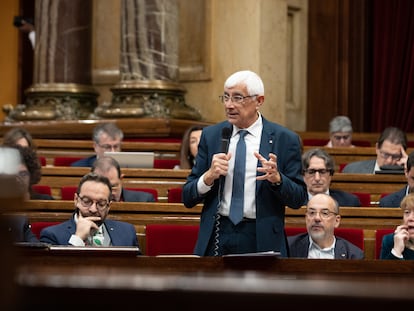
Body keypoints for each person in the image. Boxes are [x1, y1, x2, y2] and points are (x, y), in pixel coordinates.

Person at [182, 70, 307, 257]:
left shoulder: (285, 139)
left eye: (238, 98)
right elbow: (187, 196)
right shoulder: (211, 136)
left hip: (261, 235)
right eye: (225, 97)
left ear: (259, 101)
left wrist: (278, 179)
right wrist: (207, 177)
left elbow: (298, 199)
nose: (229, 105)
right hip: (218, 232)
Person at [39, 172, 140, 249]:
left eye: (101, 204)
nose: (93, 209)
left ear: (109, 206)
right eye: (87, 201)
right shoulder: (52, 235)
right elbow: (55, 273)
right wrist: (78, 239)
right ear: (76, 200)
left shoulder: (127, 232)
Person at [288, 193, 364, 259]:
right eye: (312, 213)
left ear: (336, 221)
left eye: (324, 213)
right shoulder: (288, 247)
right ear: (306, 218)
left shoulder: (353, 255)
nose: (317, 218)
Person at [0, 146, 38, 243]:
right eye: (13, 176)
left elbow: (37, 250)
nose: (17, 180)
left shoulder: (20, 222)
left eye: (23, 174)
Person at [342, 126, 408, 173]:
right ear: (377, 148)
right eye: (385, 154)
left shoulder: (408, 175)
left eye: (395, 156)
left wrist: (409, 167)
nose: (389, 161)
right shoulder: (352, 170)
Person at [91, 156, 155, 202]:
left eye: (112, 187)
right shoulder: (83, 204)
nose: (107, 193)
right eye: (101, 187)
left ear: (121, 179)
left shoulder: (144, 200)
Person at [379, 193, 414, 259]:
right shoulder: (390, 241)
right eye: (407, 212)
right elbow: (384, 269)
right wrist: (396, 251)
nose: (410, 218)